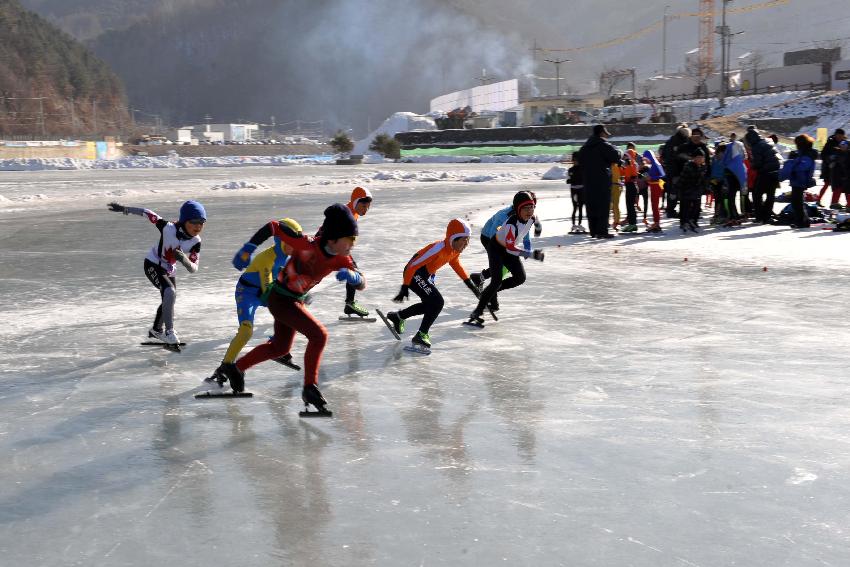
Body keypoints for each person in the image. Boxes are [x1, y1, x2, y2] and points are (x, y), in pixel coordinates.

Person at [218, 204, 365, 413]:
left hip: (294, 301)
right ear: (333, 238)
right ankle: (309, 387)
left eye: (354, 240)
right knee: (319, 336)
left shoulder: (342, 258)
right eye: (349, 239)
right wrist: (249, 247)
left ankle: (236, 368)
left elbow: (362, 283)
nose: (353, 244)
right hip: (279, 299)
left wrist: (354, 277)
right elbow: (273, 227)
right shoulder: (306, 244)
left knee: (280, 348)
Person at [209, 218, 302, 382]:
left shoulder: (288, 259)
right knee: (246, 331)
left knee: (291, 309)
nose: (296, 247)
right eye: (292, 243)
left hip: (265, 291)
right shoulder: (266, 259)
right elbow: (269, 293)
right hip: (247, 293)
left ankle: (279, 346)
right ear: (281, 241)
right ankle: (225, 365)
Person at [107, 200, 205, 346]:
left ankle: (156, 330)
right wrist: (125, 209)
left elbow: (193, 268)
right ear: (185, 221)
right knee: (170, 292)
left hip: (169, 269)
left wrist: (184, 259)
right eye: (195, 221)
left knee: (169, 297)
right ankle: (169, 332)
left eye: (202, 222)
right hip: (152, 263)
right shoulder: (167, 227)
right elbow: (147, 213)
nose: (198, 226)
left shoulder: (196, 241)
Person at [384, 218, 477, 351]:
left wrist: (469, 284)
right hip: (414, 272)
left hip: (426, 275)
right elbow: (412, 266)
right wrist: (405, 287)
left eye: (468, 240)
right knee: (437, 302)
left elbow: (455, 263)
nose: (467, 244)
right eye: (464, 240)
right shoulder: (438, 248)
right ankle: (421, 334)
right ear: (454, 238)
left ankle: (398, 317)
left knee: (431, 305)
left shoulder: (454, 250)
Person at [468, 190, 544, 326]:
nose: (530, 211)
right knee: (498, 276)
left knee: (519, 277)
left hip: (508, 244)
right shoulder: (506, 218)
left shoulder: (529, 217)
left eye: (532, 207)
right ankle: (481, 307)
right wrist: (530, 254)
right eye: (526, 208)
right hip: (491, 239)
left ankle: (485, 284)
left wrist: (527, 246)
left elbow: (524, 231)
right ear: (518, 208)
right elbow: (500, 241)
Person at [334, 186, 373, 317]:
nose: (366, 210)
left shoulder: (353, 211)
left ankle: (349, 304)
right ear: (356, 202)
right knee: (354, 272)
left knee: (353, 270)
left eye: (368, 207)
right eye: (364, 207)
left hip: (339, 247)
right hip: (331, 247)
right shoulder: (345, 213)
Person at [577, 124, 621, 238]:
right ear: (601, 133)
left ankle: (593, 231)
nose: (606, 136)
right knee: (603, 206)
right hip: (602, 181)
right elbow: (615, 157)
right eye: (605, 134)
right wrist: (618, 151)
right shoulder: (604, 145)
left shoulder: (584, 147)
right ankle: (602, 231)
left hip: (588, 181)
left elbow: (580, 161)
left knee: (591, 206)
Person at [744, 126, 783, 223]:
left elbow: (758, 163)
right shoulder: (767, 141)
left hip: (765, 173)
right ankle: (767, 216)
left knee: (757, 195)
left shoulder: (756, 146)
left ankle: (759, 217)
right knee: (770, 195)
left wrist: (752, 166)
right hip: (775, 171)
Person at [779, 134, 818, 228]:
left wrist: (792, 162)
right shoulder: (803, 153)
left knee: (797, 202)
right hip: (798, 179)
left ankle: (802, 221)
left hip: (801, 179)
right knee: (797, 202)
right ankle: (802, 220)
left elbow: (803, 166)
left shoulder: (807, 154)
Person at [660, 124, 692, 218]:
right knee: (676, 191)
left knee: (673, 191)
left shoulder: (671, 141)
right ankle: (672, 210)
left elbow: (664, 156)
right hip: (677, 171)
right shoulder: (680, 141)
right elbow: (678, 156)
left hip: (672, 171)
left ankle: (671, 210)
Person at [676, 152, 707, 232]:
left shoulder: (703, 167)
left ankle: (692, 221)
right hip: (686, 189)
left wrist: (706, 187)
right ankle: (684, 222)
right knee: (685, 207)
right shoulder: (689, 166)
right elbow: (683, 179)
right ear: (694, 158)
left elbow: (703, 179)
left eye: (702, 157)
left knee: (697, 206)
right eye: (698, 157)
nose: (700, 159)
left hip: (696, 190)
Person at [817, 128, 845, 205]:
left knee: (839, 186)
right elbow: (823, 154)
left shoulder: (844, 143)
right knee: (826, 184)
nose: (840, 137)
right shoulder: (830, 143)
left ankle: (835, 203)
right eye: (838, 135)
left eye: (841, 136)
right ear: (835, 135)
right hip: (828, 168)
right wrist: (829, 159)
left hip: (839, 169)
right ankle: (818, 200)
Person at [641, 150, 666, 233]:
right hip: (653, 185)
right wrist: (647, 178)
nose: (645, 160)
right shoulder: (653, 164)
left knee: (655, 205)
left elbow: (663, 175)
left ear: (649, 156)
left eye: (646, 158)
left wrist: (651, 178)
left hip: (656, 186)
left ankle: (656, 223)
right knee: (654, 205)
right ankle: (656, 223)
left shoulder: (656, 163)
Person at [620, 142, 640, 232]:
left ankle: (632, 224)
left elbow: (625, 174)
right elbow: (623, 173)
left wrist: (623, 165)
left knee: (630, 206)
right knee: (631, 206)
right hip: (632, 186)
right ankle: (633, 224)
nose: (624, 157)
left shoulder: (630, 163)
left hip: (630, 186)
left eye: (625, 155)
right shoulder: (633, 163)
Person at [567, 153, 586, 233]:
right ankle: (574, 225)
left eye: (576, 160)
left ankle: (579, 224)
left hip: (581, 190)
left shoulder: (583, 169)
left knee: (581, 207)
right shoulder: (571, 170)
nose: (575, 162)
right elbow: (568, 180)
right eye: (574, 160)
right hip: (574, 190)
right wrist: (570, 180)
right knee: (575, 207)